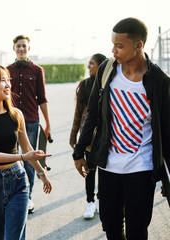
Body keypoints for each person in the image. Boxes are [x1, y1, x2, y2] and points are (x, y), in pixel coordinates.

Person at [72, 18, 170, 239]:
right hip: (109, 166)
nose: (113, 50)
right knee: (112, 228)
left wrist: (166, 178)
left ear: (138, 45)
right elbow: (94, 115)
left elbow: (166, 131)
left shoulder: (160, 82)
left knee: (137, 231)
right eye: (112, 44)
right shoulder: (107, 69)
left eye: (119, 45)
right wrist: (78, 151)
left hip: (141, 168)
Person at [0, 64, 52, 239]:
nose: (7, 85)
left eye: (8, 80)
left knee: (14, 237)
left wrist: (42, 174)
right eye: (1, 80)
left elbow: (28, 149)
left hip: (18, 181)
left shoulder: (16, 114)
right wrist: (22, 156)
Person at [7, 35, 52, 213]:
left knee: (30, 161)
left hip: (32, 122)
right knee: (11, 161)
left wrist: (48, 123)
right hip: (10, 122)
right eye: (18, 46)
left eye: (24, 46)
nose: (21, 49)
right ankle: (12, 196)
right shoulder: (7, 70)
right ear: (14, 48)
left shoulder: (37, 70)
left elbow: (42, 98)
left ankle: (29, 198)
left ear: (29, 48)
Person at [69, 53, 106, 219]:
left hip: (106, 136)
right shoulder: (84, 85)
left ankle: (100, 200)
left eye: (92, 63)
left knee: (105, 171)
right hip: (88, 137)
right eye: (88, 63)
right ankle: (90, 202)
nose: (88, 66)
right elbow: (78, 113)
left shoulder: (108, 83)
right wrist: (73, 137)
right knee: (90, 171)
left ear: (101, 65)